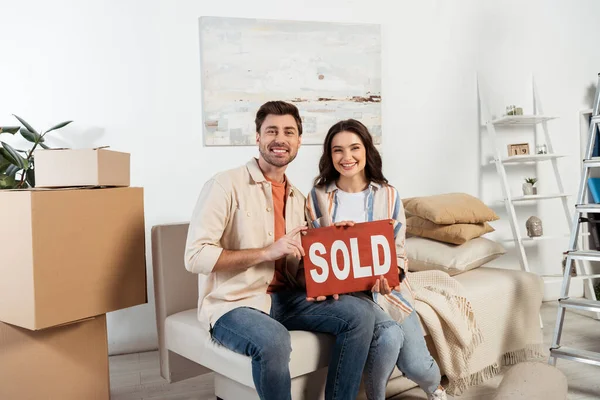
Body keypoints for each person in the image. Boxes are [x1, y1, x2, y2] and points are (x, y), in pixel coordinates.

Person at [184, 101, 395, 400]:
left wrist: (327, 266)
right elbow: (195, 256)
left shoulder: (298, 198)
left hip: (284, 300)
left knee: (360, 314)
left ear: (298, 141)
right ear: (257, 137)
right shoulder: (224, 185)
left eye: (289, 132)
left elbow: (297, 271)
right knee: (274, 340)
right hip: (232, 304)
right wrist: (266, 252)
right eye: (272, 130)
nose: (280, 139)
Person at [305, 119, 447, 400]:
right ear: (329, 155)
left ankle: (437, 388)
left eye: (354, 148)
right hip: (346, 297)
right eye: (338, 150)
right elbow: (315, 253)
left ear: (366, 150)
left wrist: (394, 274)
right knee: (388, 337)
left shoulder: (388, 194)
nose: (347, 158)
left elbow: (399, 249)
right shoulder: (317, 197)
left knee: (416, 365)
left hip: (389, 292)